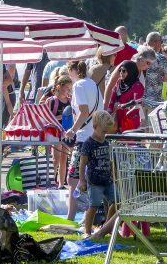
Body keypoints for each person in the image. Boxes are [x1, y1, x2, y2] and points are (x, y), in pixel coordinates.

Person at [63, 60, 102, 222]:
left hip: (84, 138)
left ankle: (71, 217)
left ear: (73, 70)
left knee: (72, 179)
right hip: (96, 136)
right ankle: (87, 218)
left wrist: (72, 130)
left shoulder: (78, 85)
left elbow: (84, 112)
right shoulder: (92, 83)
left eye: (68, 70)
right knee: (92, 180)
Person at [77, 110, 116, 239]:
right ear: (94, 127)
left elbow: (110, 161)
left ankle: (106, 227)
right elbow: (82, 164)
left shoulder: (106, 142)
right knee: (93, 206)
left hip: (108, 179)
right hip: (94, 181)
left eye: (107, 131)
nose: (105, 134)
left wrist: (114, 174)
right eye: (103, 131)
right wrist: (82, 181)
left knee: (116, 202)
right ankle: (87, 231)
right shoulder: (88, 143)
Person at [41, 75, 74, 187]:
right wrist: (62, 117)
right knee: (56, 158)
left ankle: (61, 183)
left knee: (64, 157)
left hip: (66, 132)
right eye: (67, 88)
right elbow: (46, 117)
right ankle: (51, 182)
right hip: (55, 132)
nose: (69, 91)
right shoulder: (51, 101)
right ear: (59, 87)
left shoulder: (71, 101)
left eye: (70, 89)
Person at [107, 60, 145, 133]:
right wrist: (109, 111)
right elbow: (113, 97)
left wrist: (123, 106)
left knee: (129, 142)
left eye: (124, 71)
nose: (121, 73)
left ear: (131, 71)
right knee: (117, 142)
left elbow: (137, 104)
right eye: (120, 70)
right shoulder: (119, 82)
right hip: (118, 118)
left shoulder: (137, 86)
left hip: (130, 120)